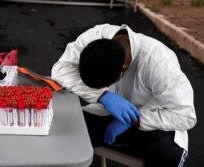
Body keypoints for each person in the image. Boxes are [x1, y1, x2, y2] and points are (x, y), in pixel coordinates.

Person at [51, 24, 196, 167]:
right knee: (60, 130)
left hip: (153, 120)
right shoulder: (94, 37)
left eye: (104, 86)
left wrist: (136, 119)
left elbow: (185, 116)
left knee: (169, 155)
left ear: (123, 70)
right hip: (107, 111)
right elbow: (61, 70)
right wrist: (103, 96)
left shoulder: (160, 64)